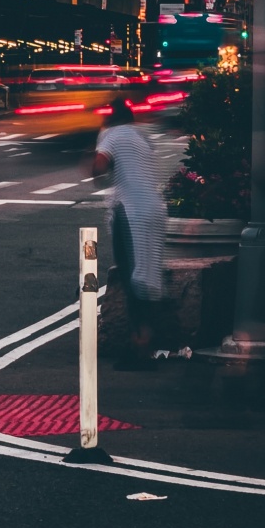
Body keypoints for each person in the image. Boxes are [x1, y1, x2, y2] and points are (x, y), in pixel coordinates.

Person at [94, 95, 167, 362]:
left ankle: (140, 345)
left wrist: (93, 160)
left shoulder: (111, 135)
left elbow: (99, 168)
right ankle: (146, 340)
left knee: (130, 276)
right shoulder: (141, 137)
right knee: (148, 276)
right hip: (155, 210)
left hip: (130, 211)